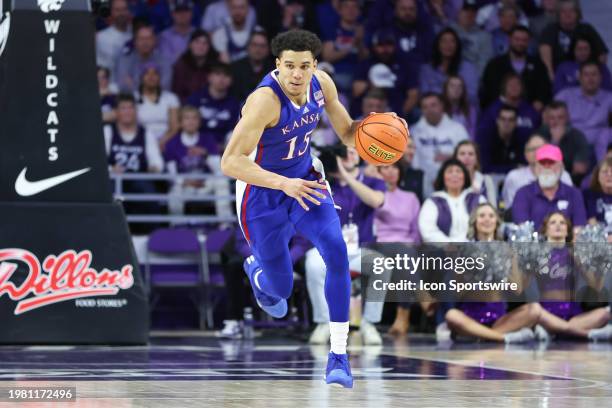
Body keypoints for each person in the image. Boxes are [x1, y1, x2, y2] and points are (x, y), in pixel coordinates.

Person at [220, 29, 407, 388]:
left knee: (336, 252)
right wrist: (282, 183)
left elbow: (350, 133)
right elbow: (230, 162)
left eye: (303, 66)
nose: (296, 74)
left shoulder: (322, 85)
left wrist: (386, 127)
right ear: (278, 65)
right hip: (262, 192)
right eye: (289, 66)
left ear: (314, 66)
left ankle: (339, 355)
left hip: (306, 182)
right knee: (281, 290)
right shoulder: (264, 101)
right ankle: (259, 272)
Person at [305, 147, 387, 347]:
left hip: (360, 248)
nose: (347, 157)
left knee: (381, 264)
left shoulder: (373, 181)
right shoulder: (324, 184)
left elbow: (376, 201)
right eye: (342, 153)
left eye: (351, 152)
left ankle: (369, 323)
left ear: (359, 156)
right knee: (313, 263)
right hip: (330, 248)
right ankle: (324, 322)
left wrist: (347, 176)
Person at [444, 203, 541, 343]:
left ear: (497, 222)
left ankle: (480, 335)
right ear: (474, 222)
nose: (487, 219)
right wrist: (475, 277)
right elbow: (458, 292)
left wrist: (504, 269)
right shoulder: (464, 250)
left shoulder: (507, 250)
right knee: (451, 315)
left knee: (535, 310)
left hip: (499, 319)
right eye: (482, 216)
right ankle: (503, 338)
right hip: (470, 316)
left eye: (491, 216)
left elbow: (517, 289)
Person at [534, 212, 611, 340]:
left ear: (567, 230)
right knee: (534, 313)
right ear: (545, 230)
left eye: (562, 223)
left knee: (605, 313)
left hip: (572, 313)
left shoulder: (575, 253)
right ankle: (587, 334)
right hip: (547, 313)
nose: (558, 225)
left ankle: (554, 331)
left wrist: (578, 256)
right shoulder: (537, 253)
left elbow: (596, 286)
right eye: (553, 223)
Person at [374, 161, 421, 336]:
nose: (391, 171)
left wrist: (414, 245)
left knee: (406, 254)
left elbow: (416, 230)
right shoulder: (373, 194)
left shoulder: (411, 197)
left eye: (395, 167)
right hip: (380, 243)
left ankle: (403, 315)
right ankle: (412, 308)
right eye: (386, 167)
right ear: (377, 170)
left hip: (406, 247)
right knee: (402, 254)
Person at [164, 106, 231, 218]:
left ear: (199, 122)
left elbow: (218, 170)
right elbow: (172, 174)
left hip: (205, 183)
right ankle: (177, 227)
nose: (191, 122)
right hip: (185, 185)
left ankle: (225, 222)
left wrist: (205, 155)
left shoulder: (208, 140)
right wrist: (186, 181)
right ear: (181, 123)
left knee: (222, 182)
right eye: (187, 118)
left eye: (194, 118)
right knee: (174, 192)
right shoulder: (172, 144)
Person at [512, 144, 586, 229]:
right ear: (535, 166)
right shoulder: (523, 194)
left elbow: (579, 229)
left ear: (561, 166)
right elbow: (523, 230)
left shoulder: (574, 194)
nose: (546, 167)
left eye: (551, 163)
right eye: (542, 163)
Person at [352, 28, 419, 119]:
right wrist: (372, 84)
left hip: (396, 111)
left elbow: (413, 94)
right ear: (374, 46)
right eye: (380, 45)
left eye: (389, 45)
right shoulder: (366, 63)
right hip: (368, 112)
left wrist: (399, 116)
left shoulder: (404, 64)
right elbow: (357, 90)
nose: (385, 49)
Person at [480, 25, 551, 111]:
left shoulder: (538, 65)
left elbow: (545, 89)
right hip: (500, 112)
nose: (520, 43)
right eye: (517, 39)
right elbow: (488, 92)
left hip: (530, 113)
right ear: (509, 39)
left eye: (524, 40)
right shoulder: (495, 65)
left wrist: (540, 101)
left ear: (529, 42)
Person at [412, 93, 469, 199]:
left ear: (442, 106)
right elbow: (412, 162)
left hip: (454, 181)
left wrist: (451, 157)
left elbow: (468, 155)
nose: (430, 110)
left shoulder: (458, 129)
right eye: (425, 107)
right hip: (422, 185)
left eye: (433, 105)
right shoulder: (414, 131)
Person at [555, 61, 612, 162]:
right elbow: (548, 115)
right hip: (570, 144)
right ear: (579, 77)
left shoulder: (609, 98)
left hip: (598, 147)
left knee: (606, 134)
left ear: (600, 77)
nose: (590, 79)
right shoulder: (565, 95)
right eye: (586, 75)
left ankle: (603, 172)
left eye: (594, 74)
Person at [418, 159, 486, 242]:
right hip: (442, 251)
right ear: (443, 177)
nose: (454, 175)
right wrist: (449, 245)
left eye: (458, 171)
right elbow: (428, 230)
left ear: (464, 176)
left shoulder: (477, 199)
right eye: (450, 172)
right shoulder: (433, 201)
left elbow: (486, 225)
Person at [539, 0, 608, 80]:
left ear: (577, 14)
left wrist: (598, 74)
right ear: (558, 14)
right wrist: (550, 73)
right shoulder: (551, 29)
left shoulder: (586, 29)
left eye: (571, 11)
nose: (567, 14)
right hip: (558, 73)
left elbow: (602, 53)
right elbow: (544, 50)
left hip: (587, 73)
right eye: (563, 11)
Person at [502, 134, 573, 209]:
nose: (537, 152)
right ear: (525, 154)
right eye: (533, 149)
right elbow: (509, 208)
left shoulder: (563, 175)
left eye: (541, 148)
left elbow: (571, 204)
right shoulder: (514, 177)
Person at [187, 63, 240, 150]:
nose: (221, 79)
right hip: (196, 144)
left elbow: (233, 131)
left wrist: (217, 148)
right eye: (217, 74)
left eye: (226, 75)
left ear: (231, 80)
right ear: (209, 77)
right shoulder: (195, 99)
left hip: (223, 148)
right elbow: (187, 124)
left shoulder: (234, 103)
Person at [419, 28, 478, 104]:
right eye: (444, 41)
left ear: (457, 45)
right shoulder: (426, 69)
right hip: (435, 110)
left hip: (461, 109)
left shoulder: (468, 67)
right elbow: (425, 94)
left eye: (452, 41)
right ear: (437, 45)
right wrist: (451, 94)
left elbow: (472, 95)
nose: (448, 45)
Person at [537, 101, 591, 184]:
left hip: (570, 182)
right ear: (547, 119)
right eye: (552, 118)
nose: (556, 122)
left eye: (560, 117)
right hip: (540, 179)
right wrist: (555, 142)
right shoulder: (540, 134)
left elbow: (580, 170)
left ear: (567, 118)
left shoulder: (577, 136)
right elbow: (536, 165)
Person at [319, 0, 365, 93]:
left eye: (354, 7)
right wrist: (351, 46)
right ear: (340, 10)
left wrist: (360, 42)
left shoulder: (363, 31)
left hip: (358, 74)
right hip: (337, 73)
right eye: (346, 7)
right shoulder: (333, 30)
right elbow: (327, 56)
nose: (350, 10)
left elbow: (364, 57)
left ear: (359, 11)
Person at [114, 25, 172, 93]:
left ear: (154, 41)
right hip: (131, 99)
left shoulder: (163, 60)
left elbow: (165, 85)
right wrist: (151, 87)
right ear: (135, 42)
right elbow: (122, 84)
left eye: (148, 38)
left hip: (158, 99)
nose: (145, 42)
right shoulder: (126, 59)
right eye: (141, 39)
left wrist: (134, 85)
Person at [135, 63, 180, 148]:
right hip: (141, 142)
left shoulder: (171, 98)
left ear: (159, 77)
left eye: (155, 73)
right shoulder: (133, 98)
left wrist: (161, 142)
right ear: (141, 77)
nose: (151, 77)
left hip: (166, 142)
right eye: (147, 73)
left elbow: (174, 127)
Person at [172, 30, 220, 104]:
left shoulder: (215, 65)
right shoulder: (181, 65)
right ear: (190, 45)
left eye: (205, 43)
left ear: (209, 47)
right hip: (186, 107)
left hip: (211, 106)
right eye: (197, 42)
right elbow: (177, 92)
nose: (200, 46)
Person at [478, 105, 527, 175]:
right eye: (503, 119)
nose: (506, 123)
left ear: (516, 122)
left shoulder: (521, 139)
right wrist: (513, 168)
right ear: (497, 121)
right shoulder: (486, 138)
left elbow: (524, 167)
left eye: (511, 120)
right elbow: (485, 168)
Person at [449, 1, 492, 76]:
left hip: (472, 79)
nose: (469, 14)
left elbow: (484, 64)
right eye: (466, 10)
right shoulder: (448, 31)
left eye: (473, 11)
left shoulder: (485, 37)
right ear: (459, 12)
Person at [230, 31, 275, 102]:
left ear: (268, 50)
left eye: (262, 46)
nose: (258, 49)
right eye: (254, 45)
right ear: (248, 47)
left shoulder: (274, 72)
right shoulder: (235, 68)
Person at [453, 140, 497, 206]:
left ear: (476, 160)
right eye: (462, 154)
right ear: (455, 159)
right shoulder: (449, 181)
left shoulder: (486, 181)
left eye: (471, 154)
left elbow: (493, 209)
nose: (466, 157)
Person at [96, 0, 132, 70]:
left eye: (124, 9)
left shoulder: (137, 34)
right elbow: (101, 70)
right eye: (117, 10)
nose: (121, 13)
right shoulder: (102, 38)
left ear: (128, 11)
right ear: (112, 12)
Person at [158, 0, 196, 65]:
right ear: (172, 14)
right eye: (178, 12)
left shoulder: (197, 33)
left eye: (186, 11)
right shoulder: (164, 36)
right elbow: (166, 61)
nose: (182, 15)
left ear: (191, 14)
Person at [583, 157, 612, 238]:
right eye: (605, 172)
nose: (609, 175)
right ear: (597, 176)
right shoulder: (589, 195)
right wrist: (605, 238)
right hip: (598, 240)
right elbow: (592, 221)